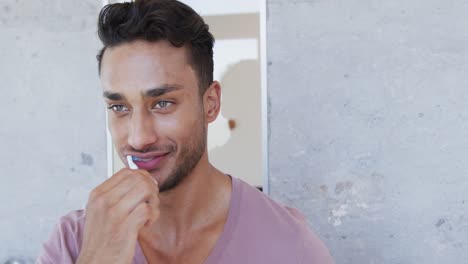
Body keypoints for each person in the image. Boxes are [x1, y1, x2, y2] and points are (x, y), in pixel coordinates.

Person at [36, 0, 334, 263]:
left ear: (211, 103)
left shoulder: (288, 245)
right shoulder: (73, 243)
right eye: (119, 107)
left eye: (162, 103)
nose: (139, 138)